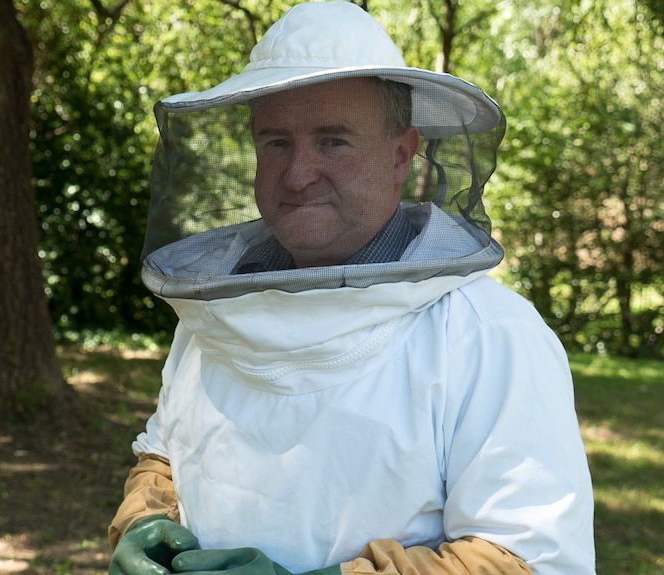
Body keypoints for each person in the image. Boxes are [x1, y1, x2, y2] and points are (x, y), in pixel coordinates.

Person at [109, 3, 595, 575]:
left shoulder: (489, 337)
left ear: (400, 156)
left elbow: (527, 557)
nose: (297, 174)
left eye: (333, 141)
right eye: (276, 142)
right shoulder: (215, 313)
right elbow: (166, 452)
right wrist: (145, 518)